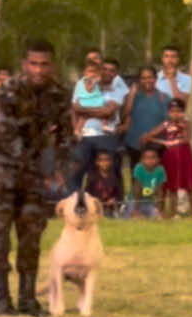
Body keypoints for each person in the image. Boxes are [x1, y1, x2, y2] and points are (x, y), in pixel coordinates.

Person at [0, 37, 74, 316]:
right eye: (33, 64)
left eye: (44, 65)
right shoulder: (8, 92)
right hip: (0, 171)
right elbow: (5, 137)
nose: (39, 70)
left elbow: (66, 134)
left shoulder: (58, 94)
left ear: (53, 66)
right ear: (24, 64)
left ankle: (28, 300)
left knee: (31, 235)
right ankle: (1, 300)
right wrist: (40, 166)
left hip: (32, 173)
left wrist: (60, 167)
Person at [143, 97, 192, 217]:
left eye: (178, 111)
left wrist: (178, 130)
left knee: (189, 185)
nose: (175, 114)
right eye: (172, 111)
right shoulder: (166, 124)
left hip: (184, 156)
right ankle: (174, 213)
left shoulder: (186, 123)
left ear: (183, 112)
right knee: (172, 186)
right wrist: (163, 142)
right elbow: (150, 135)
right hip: (171, 157)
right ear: (169, 112)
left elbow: (186, 139)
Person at [70, 56, 117, 187]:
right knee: (80, 169)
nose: (91, 74)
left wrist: (86, 111)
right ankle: (77, 198)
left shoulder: (109, 86)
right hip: (85, 136)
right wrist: (92, 111)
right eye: (89, 71)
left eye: (95, 71)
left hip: (104, 137)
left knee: (107, 171)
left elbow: (108, 112)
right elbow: (75, 107)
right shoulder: (80, 83)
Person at [121, 65, 168, 171]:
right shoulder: (133, 96)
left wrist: (149, 135)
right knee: (137, 177)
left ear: (155, 79)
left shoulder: (163, 97)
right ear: (139, 80)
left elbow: (167, 121)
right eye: (143, 78)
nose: (147, 80)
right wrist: (132, 94)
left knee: (155, 179)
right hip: (134, 143)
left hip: (156, 144)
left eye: (150, 77)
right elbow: (125, 114)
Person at [125, 145, 167, 218]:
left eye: (153, 157)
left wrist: (160, 210)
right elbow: (137, 190)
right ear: (142, 160)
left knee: (156, 217)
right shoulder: (139, 168)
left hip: (149, 202)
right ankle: (126, 209)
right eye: (147, 158)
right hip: (135, 201)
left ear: (158, 159)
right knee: (132, 218)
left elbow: (160, 192)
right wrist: (136, 210)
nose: (150, 160)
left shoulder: (160, 170)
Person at [84, 148, 123, 217]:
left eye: (107, 160)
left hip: (112, 209)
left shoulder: (116, 177)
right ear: (97, 162)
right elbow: (87, 194)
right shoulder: (92, 177)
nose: (104, 163)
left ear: (111, 162)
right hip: (95, 208)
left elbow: (120, 195)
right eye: (101, 160)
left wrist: (114, 200)